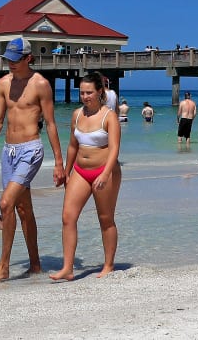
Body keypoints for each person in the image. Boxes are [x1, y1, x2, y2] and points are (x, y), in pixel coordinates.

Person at [0, 38, 66, 284]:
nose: (10, 63)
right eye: (8, 59)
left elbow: (52, 124)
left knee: (5, 204)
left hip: (31, 150)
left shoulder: (41, 85)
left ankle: (3, 267)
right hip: (8, 152)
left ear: (28, 58)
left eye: (15, 59)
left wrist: (58, 162)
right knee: (23, 209)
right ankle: (35, 264)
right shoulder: (3, 83)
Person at [49, 72, 122, 281]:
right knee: (67, 217)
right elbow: (73, 145)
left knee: (105, 219)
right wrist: (65, 170)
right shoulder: (77, 115)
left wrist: (106, 174)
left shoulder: (109, 116)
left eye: (89, 92)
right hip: (80, 171)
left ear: (100, 92)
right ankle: (67, 268)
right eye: (82, 92)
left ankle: (108, 265)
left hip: (105, 172)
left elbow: (115, 148)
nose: (85, 96)